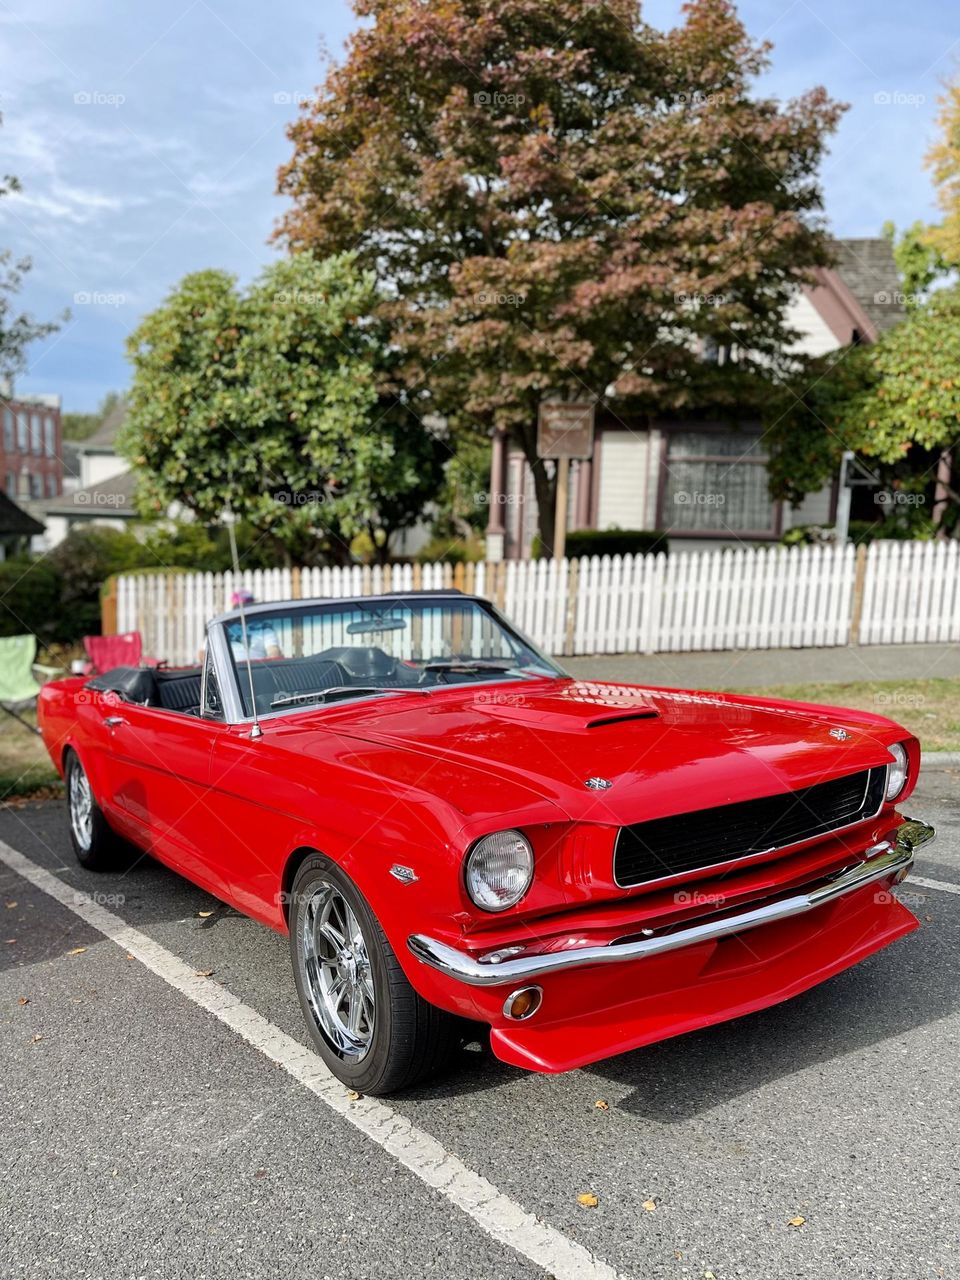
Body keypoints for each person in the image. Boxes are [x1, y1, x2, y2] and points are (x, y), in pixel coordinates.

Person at [225, 590, 282, 661]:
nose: (242, 610)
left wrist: (272, 658)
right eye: (238, 607)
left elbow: (273, 650)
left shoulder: (264, 626)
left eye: (247, 606)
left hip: (256, 670)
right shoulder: (224, 626)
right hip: (227, 670)